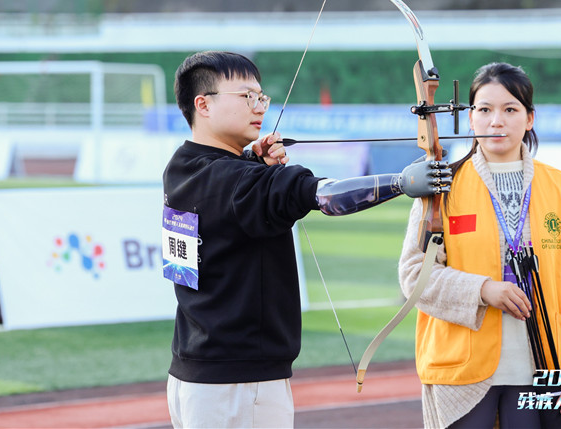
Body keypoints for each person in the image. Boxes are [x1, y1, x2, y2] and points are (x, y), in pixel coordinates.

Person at [163, 50, 451, 428]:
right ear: (203, 104)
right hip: (239, 384)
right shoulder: (240, 182)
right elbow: (325, 196)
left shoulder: (183, 166)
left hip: (193, 372)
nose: (259, 105)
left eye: (260, 96)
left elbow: (230, 199)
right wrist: (400, 182)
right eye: (245, 96)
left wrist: (252, 162)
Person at [399, 62, 561, 429]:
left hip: (540, 366)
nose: (497, 121)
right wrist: (483, 290)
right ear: (470, 118)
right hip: (460, 369)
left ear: (529, 119)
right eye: (484, 110)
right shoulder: (439, 185)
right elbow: (414, 275)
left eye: (510, 109)